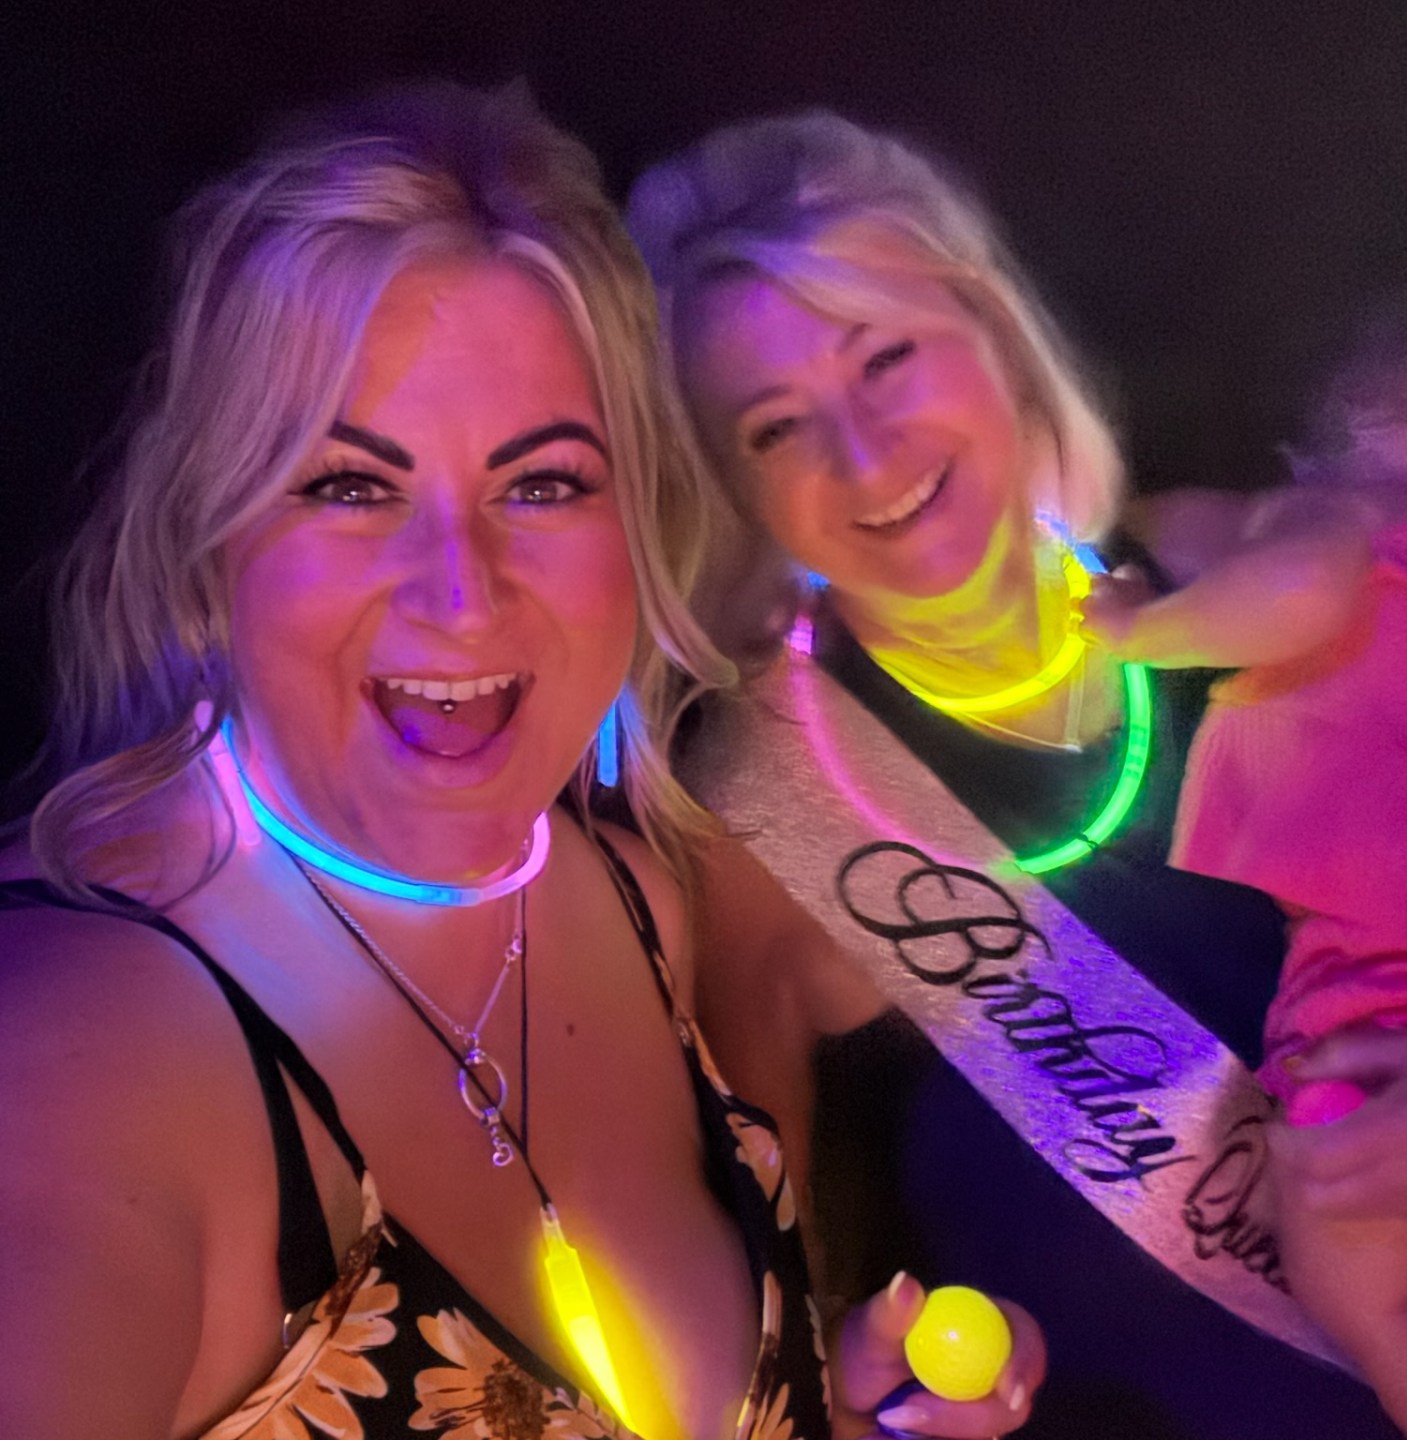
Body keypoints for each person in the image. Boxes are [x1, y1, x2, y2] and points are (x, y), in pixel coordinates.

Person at [0, 87, 1045, 1440]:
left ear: (638, 531)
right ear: (212, 543)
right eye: (349, 485)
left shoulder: (640, 910)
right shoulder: (88, 1047)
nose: (462, 591)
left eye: (543, 483)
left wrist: (834, 1405)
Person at [628, 110, 1407, 1437]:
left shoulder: (1244, 574)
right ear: (730, 494)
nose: (866, 454)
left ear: (995, 335)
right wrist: (878, 1393)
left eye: (888, 357)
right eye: (775, 429)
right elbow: (757, 1341)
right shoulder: (767, 821)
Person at [1085, 288, 1407, 1436]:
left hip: (1377, 1025)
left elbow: (1283, 583)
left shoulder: (1340, 514)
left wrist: (1137, 628)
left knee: (1360, 1284)